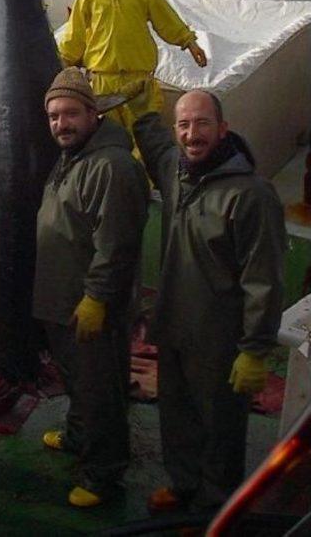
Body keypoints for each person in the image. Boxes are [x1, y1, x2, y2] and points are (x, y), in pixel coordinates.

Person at [132, 87, 285, 513]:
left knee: (220, 429)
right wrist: (141, 110)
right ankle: (183, 486)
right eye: (183, 124)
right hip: (174, 326)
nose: (190, 133)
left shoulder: (251, 194)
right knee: (176, 418)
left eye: (201, 123)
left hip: (221, 339)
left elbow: (265, 280)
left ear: (223, 129)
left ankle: (213, 509)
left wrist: (255, 350)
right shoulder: (176, 174)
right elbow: (157, 144)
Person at [33, 67, 149, 508]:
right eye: (54, 116)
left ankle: (102, 474)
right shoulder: (72, 157)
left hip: (89, 304)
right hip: (61, 301)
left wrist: (97, 298)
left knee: (101, 388)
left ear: (94, 113)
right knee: (78, 382)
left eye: (71, 114)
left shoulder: (112, 166)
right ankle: (79, 437)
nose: (61, 124)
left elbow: (116, 244)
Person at [57, 0, 207, 134]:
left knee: (144, 138)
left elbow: (167, 20)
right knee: (107, 137)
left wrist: (190, 43)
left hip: (139, 82)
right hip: (103, 82)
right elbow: (74, 34)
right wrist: (63, 63)